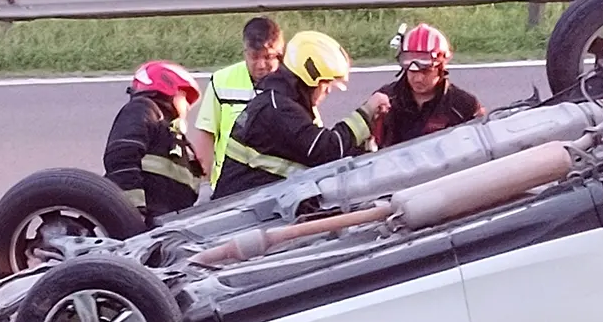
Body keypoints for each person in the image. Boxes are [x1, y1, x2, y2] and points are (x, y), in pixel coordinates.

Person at [211, 30, 390, 200]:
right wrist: (366, 113)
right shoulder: (278, 110)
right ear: (309, 79)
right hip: (238, 213)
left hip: (251, 203)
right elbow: (325, 150)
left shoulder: (280, 101)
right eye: (326, 83)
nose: (328, 90)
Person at [188, 16, 285, 194]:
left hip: (277, 187)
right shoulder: (222, 81)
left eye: (269, 57)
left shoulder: (293, 83)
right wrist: (205, 187)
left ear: (281, 52)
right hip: (229, 188)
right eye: (254, 57)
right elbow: (206, 136)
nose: (261, 65)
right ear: (245, 52)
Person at [104, 60, 207, 226]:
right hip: (143, 223)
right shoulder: (144, 110)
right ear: (168, 88)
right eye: (184, 97)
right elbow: (122, 157)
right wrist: (132, 212)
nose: (188, 107)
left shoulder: (172, 135)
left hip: (166, 224)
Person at [370, 23, 485, 149]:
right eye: (412, 71)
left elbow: (481, 150)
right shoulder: (383, 101)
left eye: (426, 72)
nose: (418, 79)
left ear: (441, 68)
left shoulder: (464, 106)